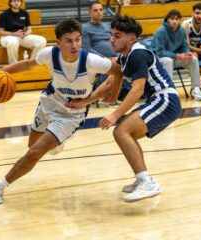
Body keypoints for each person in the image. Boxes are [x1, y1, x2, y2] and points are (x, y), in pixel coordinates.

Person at [0, 19, 122, 205]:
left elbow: (118, 71)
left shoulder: (91, 60)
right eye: (68, 40)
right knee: (32, 145)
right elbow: (28, 64)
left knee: (35, 152)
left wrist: (107, 97)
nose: (74, 45)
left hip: (72, 113)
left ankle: (0, 186)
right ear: (58, 42)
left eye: (77, 39)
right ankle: (57, 144)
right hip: (49, 102)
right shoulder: (49, 54)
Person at [68, 15, 182, 203]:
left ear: (132, 38)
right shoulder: (124, 57)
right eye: (111, 35)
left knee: (122, 130)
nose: (112, 39)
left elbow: (137, 89)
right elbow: (109, 83)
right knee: (123, 132)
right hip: (159, 100)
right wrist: (86, 101)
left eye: (118, 35)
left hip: (165, 99)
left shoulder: (138, 54)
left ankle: (147, 182)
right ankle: (142, 178)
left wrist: (114, 114)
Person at [152, 9, 201, 101]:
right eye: (172, 19)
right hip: (159, 59)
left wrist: (187, 53)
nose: (174, 21)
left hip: (174, 58)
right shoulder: (161, 31)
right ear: (167, 20)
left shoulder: (181, 30)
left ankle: (195, 89)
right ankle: (169, 91)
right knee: (168, 60)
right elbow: (160, 52)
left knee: (193, 59)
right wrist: (177, 56)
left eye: (177, 19)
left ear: (179, 20)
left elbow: (184, 46)